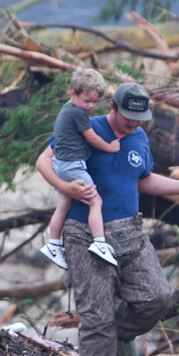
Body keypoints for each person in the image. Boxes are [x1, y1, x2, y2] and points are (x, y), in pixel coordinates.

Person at [34, 82, 179, 356]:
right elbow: (43, 162)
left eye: (140, 118)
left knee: (158, 296)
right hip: (84, 233)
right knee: (96, 317)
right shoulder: (85, 125)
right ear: (113, 106)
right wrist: (66, 187)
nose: (134, 123)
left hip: (130, 231)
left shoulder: (139, 137)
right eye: (129, 117)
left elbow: (144, 179)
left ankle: (121, 333)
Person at [40, 69, 121, 268]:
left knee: (63, 205)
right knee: (96, 201)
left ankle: (53, 244)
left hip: (60, 164)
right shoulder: (78, 114)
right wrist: (110, 147)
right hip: (72, 165)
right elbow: (92, 138)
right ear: (73, 94)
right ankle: (99, 242)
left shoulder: (67, 109)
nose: (91, 106)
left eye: (94, 102)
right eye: (87, 101)